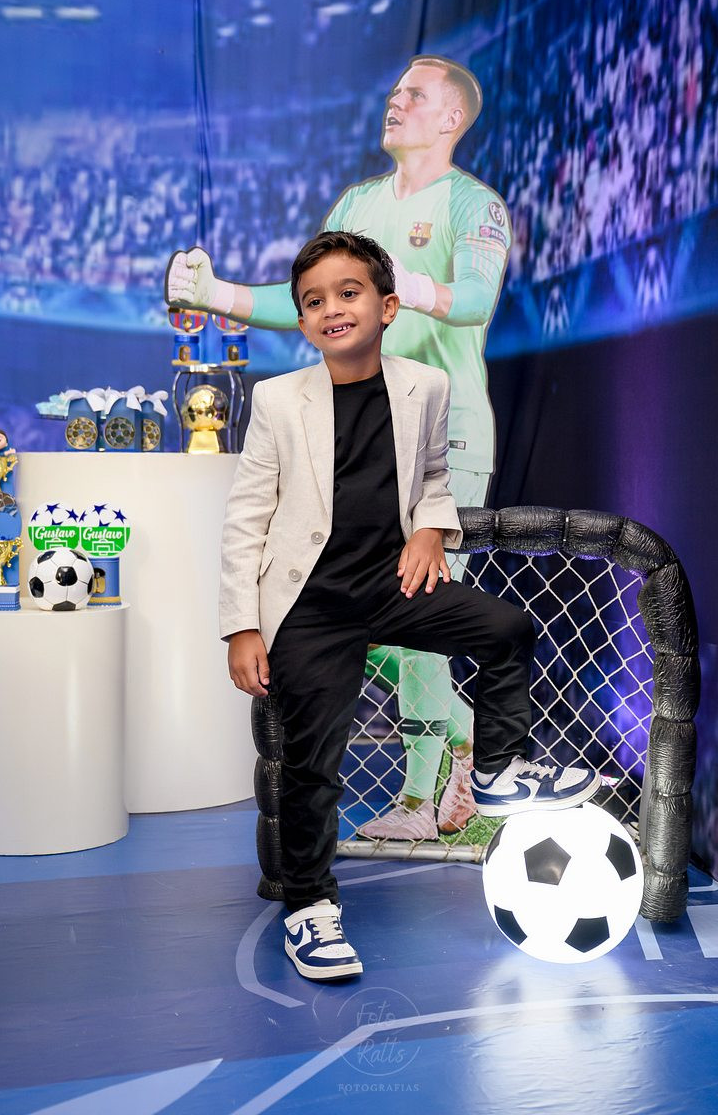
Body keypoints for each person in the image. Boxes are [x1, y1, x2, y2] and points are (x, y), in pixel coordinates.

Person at [218, 231, 600, 981]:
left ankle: (495, 769)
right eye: (314, 301)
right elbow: (246, 516)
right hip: (309, 605)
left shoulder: (425, 386)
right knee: (312, 765)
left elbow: (430, 478)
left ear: (387, 306)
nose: (332, 308)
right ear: (303, 322)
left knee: (505, 627)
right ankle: (308, 907)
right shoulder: (278, 399)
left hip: (391, 587)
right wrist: (241, 625)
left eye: (348, 292)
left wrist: (430, 528)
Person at [170, 56, 513, 840]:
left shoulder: (473, 204)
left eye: (412, 95)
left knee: (417, 611)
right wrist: (214, 294)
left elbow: (476, 298)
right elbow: (311, 299)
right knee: (349, 613)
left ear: (450, 118)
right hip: (353, 435)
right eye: (392, 92)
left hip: (444, 434)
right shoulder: (358, 203)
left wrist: (402, 287)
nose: (394, 102)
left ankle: (422, 801)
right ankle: (463, 745)